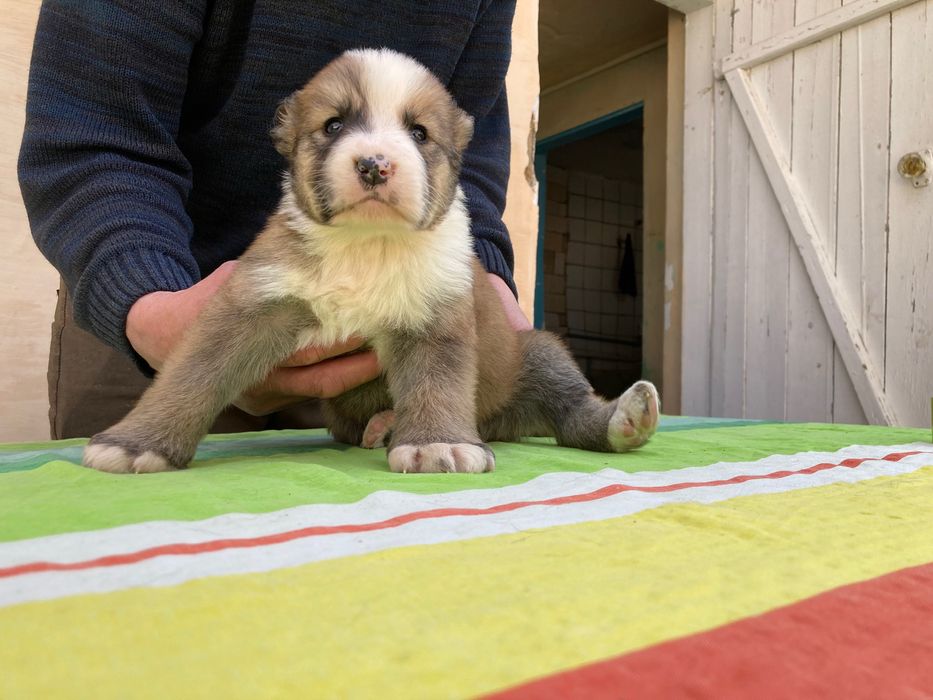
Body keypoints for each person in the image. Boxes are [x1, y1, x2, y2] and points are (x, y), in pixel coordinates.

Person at [19, 0, 530, 439]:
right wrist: (145, 299)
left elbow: (468, 140)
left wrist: (478, 272)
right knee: (138, 517)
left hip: (389, 322)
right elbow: (93, 128)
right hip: (168, 301)